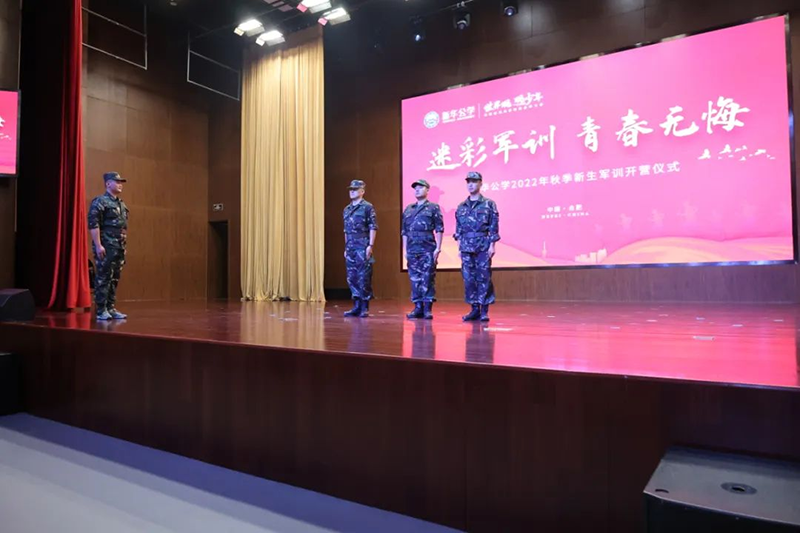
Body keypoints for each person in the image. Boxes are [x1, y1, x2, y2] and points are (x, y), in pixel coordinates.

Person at [454, 171, 500, 322]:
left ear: (480, 183)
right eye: (468, 182)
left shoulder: (488, 204)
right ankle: (474, 309)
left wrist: (492, 245)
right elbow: (458, 230)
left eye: (474, 181)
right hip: (466, 247)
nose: (471, 184)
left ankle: (484, 310)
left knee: (484, 277)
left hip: (482, 245)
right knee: (468, 279)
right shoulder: (461, 206)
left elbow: (493, 227)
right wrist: (459, 247)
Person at [88, 172, 129, 321]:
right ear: (108, 184)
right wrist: (98, 245)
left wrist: (123, 246)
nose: (120, 184)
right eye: (117, 182)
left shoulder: (121, 204)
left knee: (114, 278)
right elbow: (94, 224)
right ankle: (101, 310)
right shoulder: (100, 201)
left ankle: (110, 308)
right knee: (103, 278)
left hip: (118, 247)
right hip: (106, 246)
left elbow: (123, 227)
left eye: (121, 182)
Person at [402, 179, 443, 320]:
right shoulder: (408, 209)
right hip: (412, 248)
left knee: (428, 278)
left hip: (427, 248)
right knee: (414, 279)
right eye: (415, 188)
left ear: (427, 190)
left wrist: (438, 248)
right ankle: (418, 307)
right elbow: (404, 231)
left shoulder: (433, 207)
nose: (417, 190)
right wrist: (405, 250)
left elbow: (439, 228)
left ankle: (427, 309)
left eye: (420, 187)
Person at [343, 179, 378, 317]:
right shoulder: (346, 209)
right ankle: (356, 305)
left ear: (362, 191)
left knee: (364, 276)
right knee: (352, 277)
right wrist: (346, 247)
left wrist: (370, 245)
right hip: (350, 246)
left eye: (355, 189)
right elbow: (346, 231)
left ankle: (364, 306)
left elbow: (373, 227)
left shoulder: (367, 207)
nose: (352, 192)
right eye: (350, 189)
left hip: (362, 244)